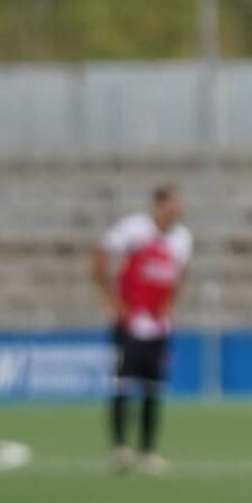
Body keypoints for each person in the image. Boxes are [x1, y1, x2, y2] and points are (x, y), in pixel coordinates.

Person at [91, 184, 192, 476]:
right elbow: (99, 256)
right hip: (129, 322)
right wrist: (112, 301)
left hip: (159, 325)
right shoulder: (134, 230)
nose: (179, 210)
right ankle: (120, 447)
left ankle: (148, 451)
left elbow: (179, 276)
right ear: (159, 205)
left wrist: (170, 306)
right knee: (122, 383)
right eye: (174, 204)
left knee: (154, 387)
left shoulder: (183, 239)